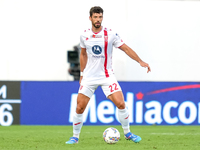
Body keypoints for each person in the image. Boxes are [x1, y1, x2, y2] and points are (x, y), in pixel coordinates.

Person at [66, 6, 151, 144]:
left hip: (107, 76)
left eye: (100, 17)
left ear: (102, 18)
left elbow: (125, 48)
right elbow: (83, 54)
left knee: (121, 103)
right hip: (89, 77)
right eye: (95, 17)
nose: (98, 20)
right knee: (79, 107)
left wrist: (140, 61)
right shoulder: (84, 35)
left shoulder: (111, 34)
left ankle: (128, 133)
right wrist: (82, 73)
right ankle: (75, 137)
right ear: (90, 18)